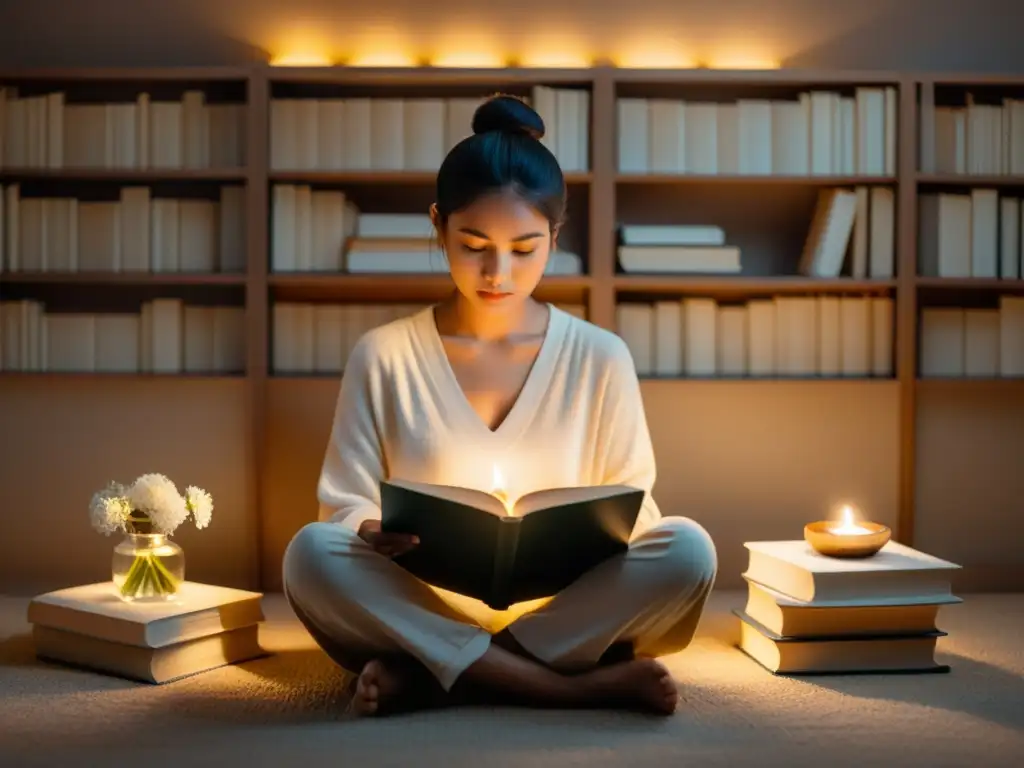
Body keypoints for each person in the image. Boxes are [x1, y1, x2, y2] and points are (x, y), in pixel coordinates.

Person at [281, 94, 718, 718]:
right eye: (474, 244)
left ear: (555, 237)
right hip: (419, 603)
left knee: (690, 548)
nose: (498, 272)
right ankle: (561, 687)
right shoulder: (383, 355)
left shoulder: (601, 357)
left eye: (525, 248)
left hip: (561, 608)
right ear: (438, 226)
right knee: (310, 554)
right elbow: (342, 504)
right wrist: (366, 527)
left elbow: (637, 506)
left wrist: (606, 540)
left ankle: (439, 677)